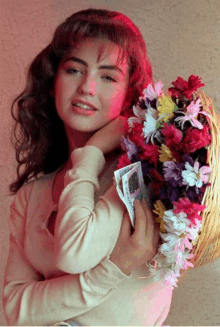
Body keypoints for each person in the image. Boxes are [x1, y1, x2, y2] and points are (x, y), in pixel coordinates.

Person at [3, 8, 173, 326]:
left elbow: (74, 254)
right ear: (53, 81)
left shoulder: (140, 176)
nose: (87, 87)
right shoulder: (32, 196)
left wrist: (92, 150)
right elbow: (15, 309)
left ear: (129, 97)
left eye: (108, 77)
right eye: (74, 70)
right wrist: (114, 268)